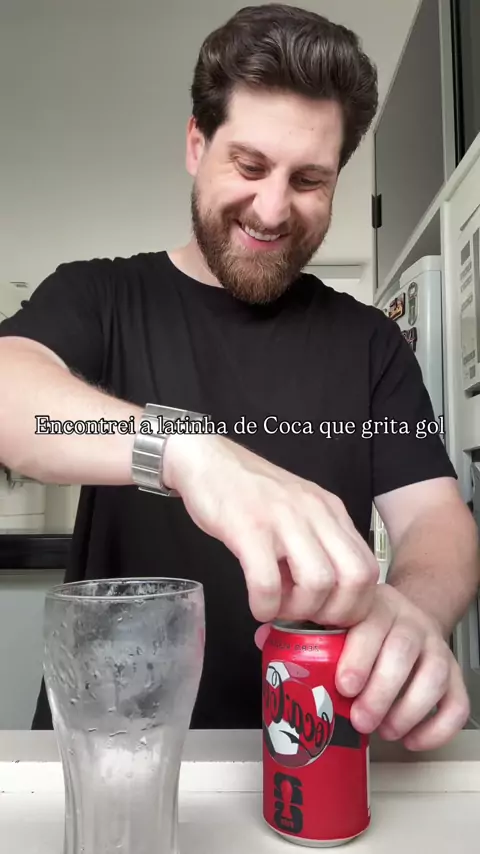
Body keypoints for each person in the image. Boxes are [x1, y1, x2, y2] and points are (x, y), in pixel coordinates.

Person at [0, 3, 478, 750]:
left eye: (309, 179)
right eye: (250, 166)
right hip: (117, 757)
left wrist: (414, 611)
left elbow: (435, 519)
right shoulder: (101, 295)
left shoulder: (371, 342)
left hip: (315, 751)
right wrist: (186, 451)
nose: (272, 208)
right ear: (198, 145)